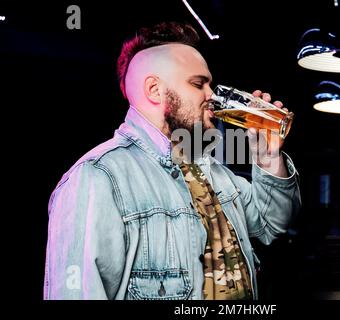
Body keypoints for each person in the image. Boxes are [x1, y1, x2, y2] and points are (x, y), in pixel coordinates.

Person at [44, 22, 301, 300]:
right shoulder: (97, 177)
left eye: (210, 85)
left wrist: (267, 156)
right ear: (155, 90)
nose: (212, 96)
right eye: (198, 84)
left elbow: (272, 223)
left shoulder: (209, 169)